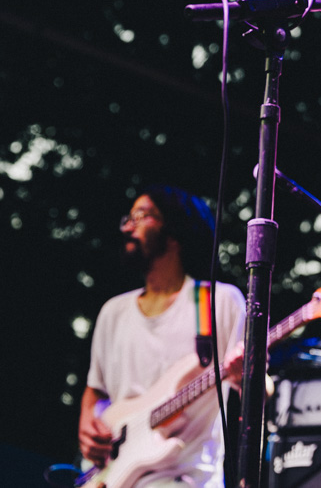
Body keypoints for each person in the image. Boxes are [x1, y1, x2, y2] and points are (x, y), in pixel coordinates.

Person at [78, 185, 246, 488]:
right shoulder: (113, 312)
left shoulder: (219, 302)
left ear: (175, 229)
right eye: (128, 218)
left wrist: (246, 374)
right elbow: (96, 390)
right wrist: (87, 423)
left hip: (185, 477)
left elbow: (260, 392)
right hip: (111, 474)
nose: (129, 226)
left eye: (142, 216)